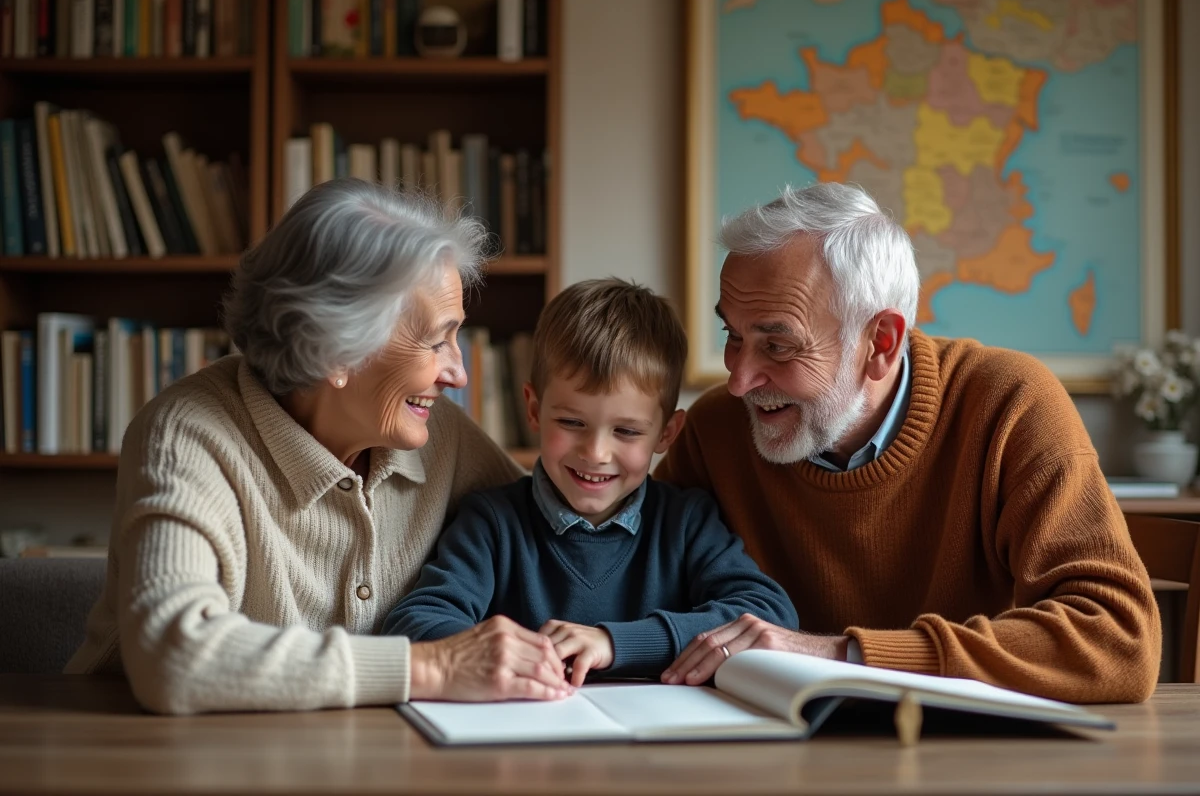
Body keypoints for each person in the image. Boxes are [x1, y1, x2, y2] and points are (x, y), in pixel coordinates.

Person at [66, 179, 575, 714]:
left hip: (354, 748)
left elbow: (561, 539)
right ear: (337, 351)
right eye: (435, 341)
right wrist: (436, 667)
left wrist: (630, 637)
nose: (458, 373)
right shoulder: (188, 433)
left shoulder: (436, 435)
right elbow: (173, 655)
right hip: (146, 747)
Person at [655, 182, 1161, 704]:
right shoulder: (714, 431)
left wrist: (842, 656)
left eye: (777, 345)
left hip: (971, 745)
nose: (739, 381)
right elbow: (634, 586)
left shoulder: (1010, 406)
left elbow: (1119, 641)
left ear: (881, 343)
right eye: (734, 336)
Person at [384, 278, 798, 685]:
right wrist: (508, 654)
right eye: (571, 422)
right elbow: (414, 624)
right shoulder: (492, 523)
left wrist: (617, 643)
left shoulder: (687, 523)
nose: (596, 452)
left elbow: (769, 614)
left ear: (666, 434)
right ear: (534, 410)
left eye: (627, 431)